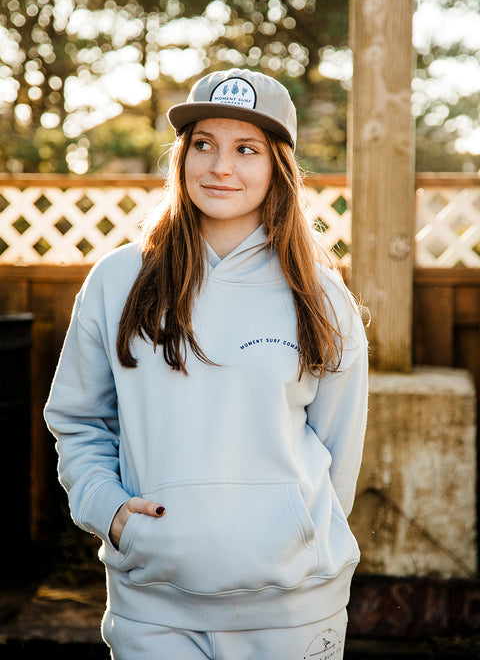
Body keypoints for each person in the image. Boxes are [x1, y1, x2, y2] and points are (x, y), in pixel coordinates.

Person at [44, 67, 368, 660]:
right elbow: (79, 421)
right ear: (182, 157)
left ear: (278, 167)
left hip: (293, 610)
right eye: (204, 145)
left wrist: (287, 533)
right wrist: (109, 512)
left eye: (246, 149)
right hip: (154, 608)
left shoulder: (320, 296)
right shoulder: (118, 282)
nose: (221, 167)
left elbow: (337, 448)